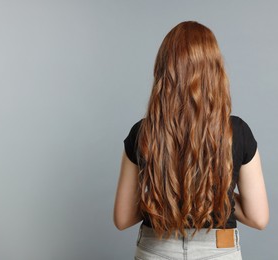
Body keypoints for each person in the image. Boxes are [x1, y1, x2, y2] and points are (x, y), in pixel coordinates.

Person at [113, 20, 269, 260]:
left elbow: (123, 218)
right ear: (214, 71)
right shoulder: (236, 131)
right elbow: (258, 218)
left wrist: (168, 194)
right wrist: (214, 194)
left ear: (164, 70)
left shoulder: (143, 131)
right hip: (219, 249)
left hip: (156, 248)